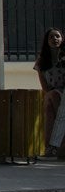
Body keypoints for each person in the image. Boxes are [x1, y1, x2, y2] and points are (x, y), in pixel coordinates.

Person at [35, 28, 65, 156]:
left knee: (49, 107)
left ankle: (50, 148)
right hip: (53, 94)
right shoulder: (41, 62)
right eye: (51, 37)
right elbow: (45, 87)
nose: (55, 39)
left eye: (57, 36)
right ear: (47, 41)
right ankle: (55, 145)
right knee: (50, 100)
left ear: (62, 39)